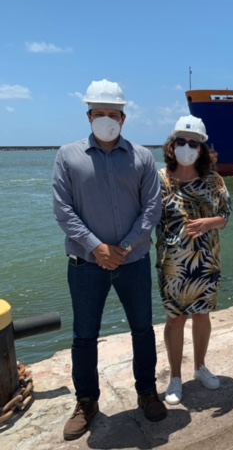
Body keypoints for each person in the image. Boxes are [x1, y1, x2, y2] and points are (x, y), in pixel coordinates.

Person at [52, 79, 166, 440]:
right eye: (99, 113)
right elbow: (63, 210)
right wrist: (96, 248)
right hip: (86, 264)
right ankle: (86, 401)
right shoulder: (67, 156)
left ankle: (147, 391)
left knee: (142, 330)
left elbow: (151, 208)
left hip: (133, 262)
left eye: (112, 114)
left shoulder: (142, 157)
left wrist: (125, 247)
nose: (106, 119)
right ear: (88, 116)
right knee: (84, 335)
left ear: (123, 118)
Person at [156, 115, 231, 405]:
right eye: (181, 141)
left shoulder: (213, 180)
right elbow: (147, 218)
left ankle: (200, 367)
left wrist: (209, 222)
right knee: (175, 320)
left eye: (194, 143)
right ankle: (175, 377)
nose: (187, 147)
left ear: (202, 149)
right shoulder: (160, 179)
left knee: (202, 316)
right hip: (173, 265)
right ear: (172, 145)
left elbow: (226, 216)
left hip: (207, 261)